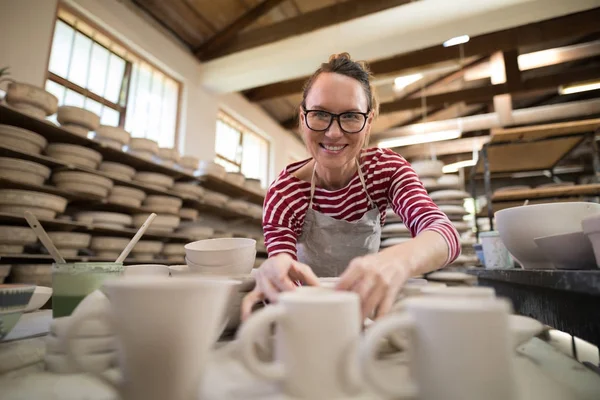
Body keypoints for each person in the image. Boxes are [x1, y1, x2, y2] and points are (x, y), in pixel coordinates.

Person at [242, 53, 460, 320]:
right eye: (320, 114)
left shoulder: (386, 170)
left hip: (367, 309)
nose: (334, 132)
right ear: (302, 117)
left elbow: (444, 233)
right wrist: (274, 271)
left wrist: (399, 259)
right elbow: (286, 277)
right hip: (311, 314)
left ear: (368, 122)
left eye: (351, 116)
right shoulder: (284, 194)